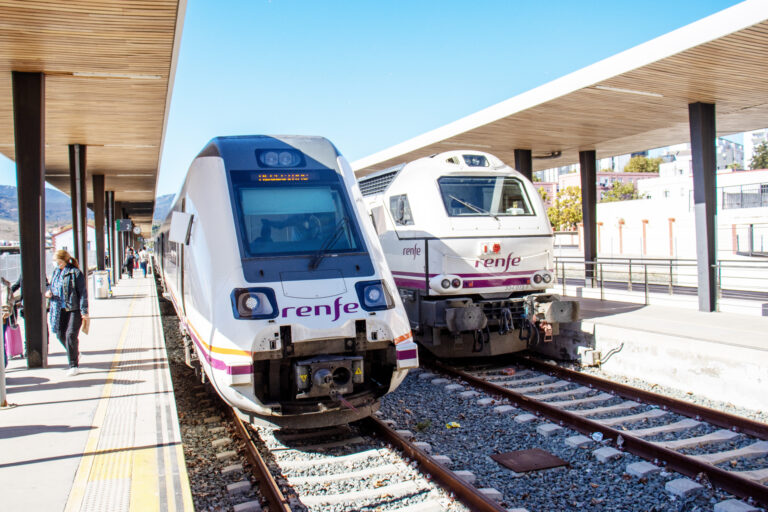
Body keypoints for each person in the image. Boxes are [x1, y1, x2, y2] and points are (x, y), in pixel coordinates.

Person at [45, 249, 88, 376]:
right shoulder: (56, 272)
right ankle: (75, 353)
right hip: (59, 309)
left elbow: (83, 293)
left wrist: (84, 311)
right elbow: (51, 286)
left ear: (64, 260)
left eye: (57, 261)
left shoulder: (75, 273)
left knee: (70, 335)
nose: (55, 263)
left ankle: (73, 365)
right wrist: (49, 291)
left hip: (73, 309)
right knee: (60, 334)